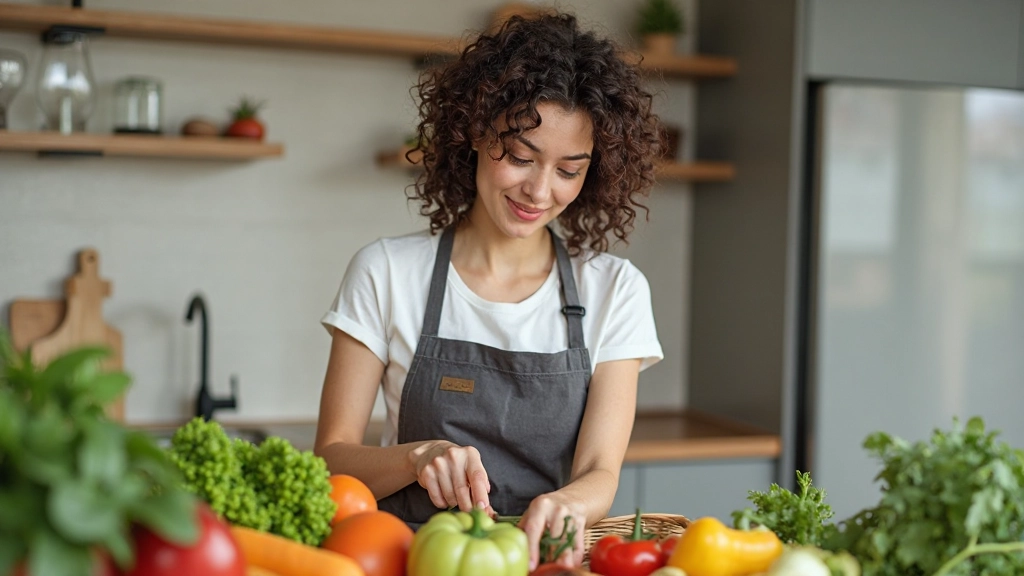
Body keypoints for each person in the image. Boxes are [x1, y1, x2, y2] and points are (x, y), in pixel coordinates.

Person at [314, 12, 663, 569]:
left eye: (568, 171)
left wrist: (570, 504)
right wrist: (417, 457)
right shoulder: (386, 271)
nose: (539, 191)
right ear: (475, 131)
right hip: (409, 559)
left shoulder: (614, 289)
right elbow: (331, 459)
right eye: (521, 157)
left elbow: (599, 469)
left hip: (544, 561)